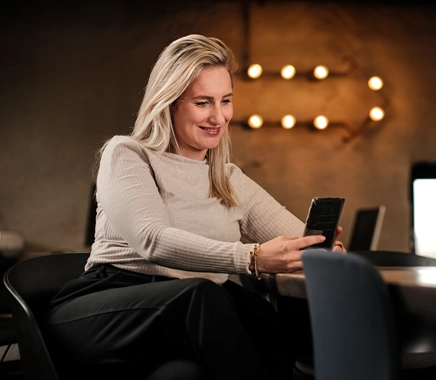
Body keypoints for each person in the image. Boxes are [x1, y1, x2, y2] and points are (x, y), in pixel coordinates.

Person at [44, 34, 346, 380]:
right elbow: (151, 240)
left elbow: (296, 238)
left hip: (193, 312)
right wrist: (252, 258)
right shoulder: (127, 154)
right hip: (109, 306)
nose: (219, 117)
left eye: (226, 101)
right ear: (169, 102)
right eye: (203, 103)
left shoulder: (228, 177)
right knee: (204, 295)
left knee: (256, 312)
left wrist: (325, 250)